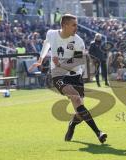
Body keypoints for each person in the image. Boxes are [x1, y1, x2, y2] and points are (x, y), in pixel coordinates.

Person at [29, 14, 107, 143]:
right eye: (74, 25)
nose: (76, 27)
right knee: (75, 97)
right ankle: (98, 133)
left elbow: (78, 60)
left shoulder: (78, 41)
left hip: (75, 74)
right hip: (58, 73)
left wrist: (60, 63)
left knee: (79, 110)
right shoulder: (51, 34)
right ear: (65, 25)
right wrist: (40, 59)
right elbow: (46, 43)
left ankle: (72, 124)